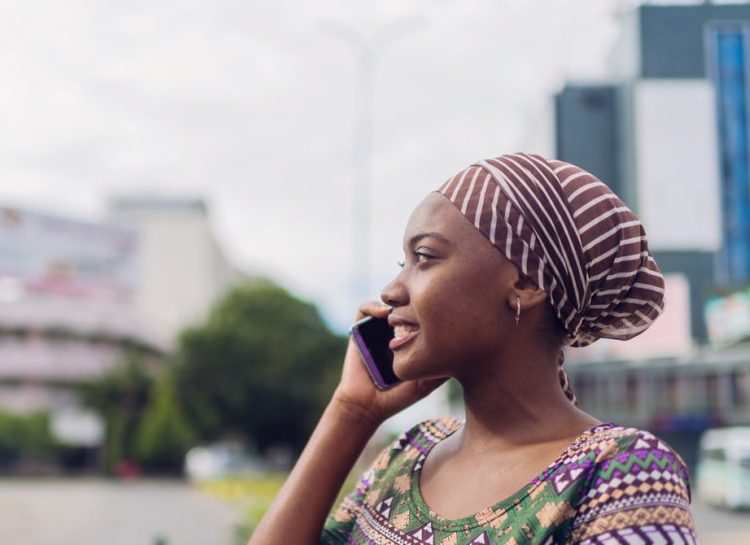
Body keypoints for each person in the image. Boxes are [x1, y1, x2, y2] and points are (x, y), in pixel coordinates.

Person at [250, 153, 697, 544]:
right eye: (401, 263)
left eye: (424, 258)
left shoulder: (623, 472)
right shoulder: (408, 455)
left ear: (526, 281)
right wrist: (352, 412)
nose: (390, 290)